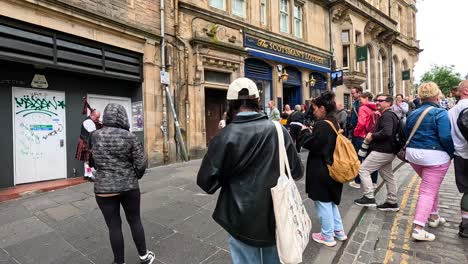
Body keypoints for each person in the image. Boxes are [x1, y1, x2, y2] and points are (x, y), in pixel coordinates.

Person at [197, 78, 303, 264]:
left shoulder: (224, 136)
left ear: (231, 104)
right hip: (276, 215)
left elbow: (207, 182)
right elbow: (296, 171)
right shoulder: (278, 130)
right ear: (257, 101)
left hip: (239, 219)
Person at [89, 103, 154, 264]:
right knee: (135, 220)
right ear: (123, 116)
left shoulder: (95, 135)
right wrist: (135, 176)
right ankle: (144, 257)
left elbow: (93, 161)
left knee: (114, 226)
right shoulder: (130, 136)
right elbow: (141, 163)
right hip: (129, 187)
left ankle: (119, 262)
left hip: (104, 188)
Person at [404, 82, 454, 242]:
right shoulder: (441, 113)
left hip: (413, 155)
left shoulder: (412, 113)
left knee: (431, 187)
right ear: (436, 95)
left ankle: (434, 217)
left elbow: (405, 132)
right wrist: (452, 153)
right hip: (435, 156)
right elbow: (446, 137)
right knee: (428, 191)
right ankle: (419, 228)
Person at [297, 91, 347, 247]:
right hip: (332, 167)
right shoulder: (334, 121)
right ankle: (338, 231)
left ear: (322, 108)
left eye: (315, 108)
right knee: (331, 201)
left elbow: (314, 145)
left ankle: (327, 236)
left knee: (323, 202)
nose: (313, 111)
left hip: (322, 169)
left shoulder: (323, 124)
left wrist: (304, 132)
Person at [354, 94, 400, 211]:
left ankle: (369, 197)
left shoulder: (387, 115)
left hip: (382, 150)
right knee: (388, 176)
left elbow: (387, 132)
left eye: (380, 100)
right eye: (376, 100)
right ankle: (392, 202)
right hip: (389, 151)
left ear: (389, 103)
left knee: (363, 169)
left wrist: (372, 136)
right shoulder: (391, 114)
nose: (377, 102)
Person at [448, 80, 468, 238]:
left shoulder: (451, 111)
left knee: (467, 191)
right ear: (466, 91)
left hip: (459, 155)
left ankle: (465, 225)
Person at [349, 92, 379, 189]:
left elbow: (361, 123)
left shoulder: (363, 108)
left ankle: (357, 182)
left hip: (362, 136)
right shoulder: (376, 107)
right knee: (372, 159)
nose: (360, 101)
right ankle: (374, 182)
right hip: (372, 136)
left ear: (366, 98)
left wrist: (356, 132)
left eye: (361, 99)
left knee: (359, 159)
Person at [75, 110, 102, 181]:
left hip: (85, 141)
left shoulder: (91, 121)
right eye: (97, 117)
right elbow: (94, 134)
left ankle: (86, 175)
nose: (98, 119)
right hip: (86, 142)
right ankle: (89, 175)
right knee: (88, 160)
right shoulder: (89, 122)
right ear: (92, 115)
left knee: (86, 160)